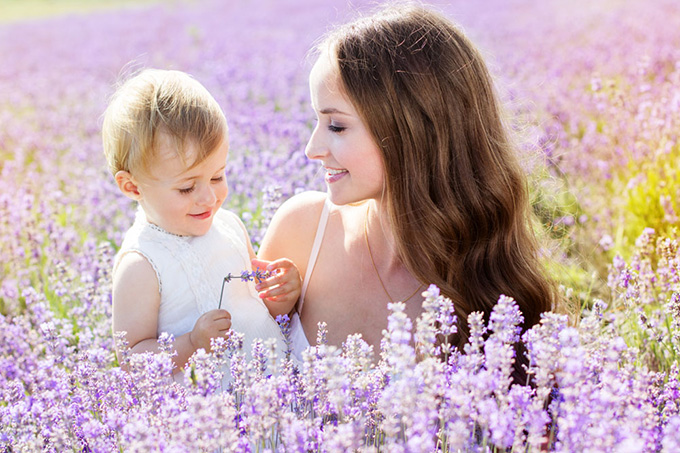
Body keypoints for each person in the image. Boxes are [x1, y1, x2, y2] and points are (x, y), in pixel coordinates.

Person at [258, 3, 556, 382]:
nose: (311, 149)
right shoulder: (301, 230)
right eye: (316, 120)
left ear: (411, 131)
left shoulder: (481, 277)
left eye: (336, 126)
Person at [102, 69, 300, 384]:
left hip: (276, 387)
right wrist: (192, 343)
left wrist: (283, 297)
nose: (209, 197)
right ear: (133, 187)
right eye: (186, 188)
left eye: (217, 176)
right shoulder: (141, 264)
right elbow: (132, 360)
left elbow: (256, 309)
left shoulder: (230, 226)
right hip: (205, 418)